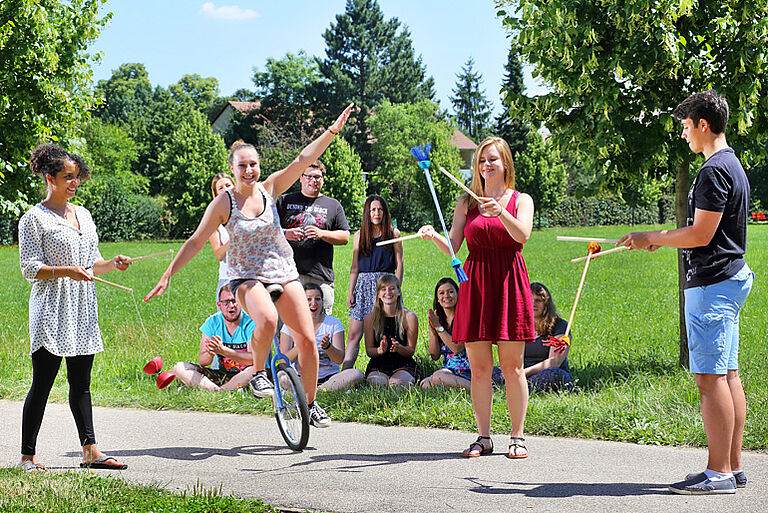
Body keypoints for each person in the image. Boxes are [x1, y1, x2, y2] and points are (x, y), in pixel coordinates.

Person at [146, 103, 354, 430]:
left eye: (253, 164)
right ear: (232, 169)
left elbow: (302, 160)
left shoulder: (270, 189)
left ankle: (310, 404)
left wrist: (332, 131)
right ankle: (259, 374)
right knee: (268, 319)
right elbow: (196, 242)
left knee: (308, 341)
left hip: (282, 271)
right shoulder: (224, 203)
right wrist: (167, 275)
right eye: (242, 166)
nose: (249, 171)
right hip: (243, 276)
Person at [619, 90, 753, 495]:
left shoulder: (713, 170)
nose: (683, 135)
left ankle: (719, 475)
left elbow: (701, 232)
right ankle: (731, 466)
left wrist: (651, 235)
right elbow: (706, 232)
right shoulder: (733, 165)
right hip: (728, 277)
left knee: (710, 379)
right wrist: (666, 240)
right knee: (728, 374)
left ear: (703, 125)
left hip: (713, 284)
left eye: (685, 127)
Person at [420, 136, 535, 459]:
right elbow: (453, 247)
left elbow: (522, 235)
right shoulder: (466, 203)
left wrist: (500, 212)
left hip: (509, 281)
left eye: (493, 159)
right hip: (475, 281)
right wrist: (434, 238)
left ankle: (518, 436)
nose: (486, 165)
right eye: (482, 160)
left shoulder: (520, 199)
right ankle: (483, 437)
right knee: (480, 369)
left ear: (505, 164)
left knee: (512, 368)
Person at [18, 144, 131, 471]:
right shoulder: (34, 219)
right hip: (50, 310)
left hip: (82, 309)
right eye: (68, 177)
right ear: (49, 178)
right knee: (42, 384)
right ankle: (27, 456)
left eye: (77, 176)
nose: (74, 182)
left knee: (81, 383)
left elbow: (92, 264)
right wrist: (67, 271)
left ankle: (90, 451)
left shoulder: (84, 215)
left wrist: (113, 263)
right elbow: (29, 268)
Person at [276, 160, 350, 315]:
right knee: (285, 328)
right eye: (308, 176)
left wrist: (322, 234)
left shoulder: (333, 205)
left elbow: (345, 236)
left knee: (320, 326)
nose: (313, 181)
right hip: (287, 276)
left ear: (323, 179)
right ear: (301, 178)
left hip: (320, 277)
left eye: (317, 177)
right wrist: (285, 233)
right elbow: (267, 230)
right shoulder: (284, 201)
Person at [343, 195, 403, 370]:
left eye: (380, 209)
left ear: (385, 212)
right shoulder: (359, 235)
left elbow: (399, 264)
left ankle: (392, 368)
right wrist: (350, 292)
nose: (376, 213)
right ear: (367, 213)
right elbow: (354, 267)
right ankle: (345, 372)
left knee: (388, 330)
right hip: (363, 286)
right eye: (373, 210)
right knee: (354, 333)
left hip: (385, 286)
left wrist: (396, 288)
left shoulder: (393, 233)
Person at [280, 283, 364, 396]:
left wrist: (328, 347)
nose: (313, 303)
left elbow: (339, 359)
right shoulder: (290, 325)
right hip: (302, 378)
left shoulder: (334, 323)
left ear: (322, 301)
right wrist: (301, 345)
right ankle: (315, 391)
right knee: (283, 378)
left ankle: (318, 391)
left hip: (329, 379)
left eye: (317, 299)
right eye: (308, 299)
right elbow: (283, 361)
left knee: (356, 374)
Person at [171, 284, 257, 391]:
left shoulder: (251, 322)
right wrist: (210, 351)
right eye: (226, 302)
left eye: (234, 301)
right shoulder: (212, 322)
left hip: (245, 375)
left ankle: (219, 392)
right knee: (179, 367)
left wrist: (224, 351)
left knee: (254, 369)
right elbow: (203, 361)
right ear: (219, 305)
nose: (231, 306)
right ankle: (218, 391)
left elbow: (253, 360)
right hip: (222, 374)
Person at [364, 274, 419, 387]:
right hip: (379, 363)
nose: (388, 292)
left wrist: (400, 348)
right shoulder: (370, 318)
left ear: (399, 291)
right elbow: (369, 351)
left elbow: (411, 350)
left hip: (403, 363)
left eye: (392, 288)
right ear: (378, 294)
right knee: (376, 383)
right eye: (383, 289)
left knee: (396, 384)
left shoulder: (409, 317)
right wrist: (379, 350)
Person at [420, 278, 471, 389]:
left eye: (450, 292)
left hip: (468, 369)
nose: (446, 296)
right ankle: (453, 384)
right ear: (438, 299)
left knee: (437, 377)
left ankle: (476, 388)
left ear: (458, 294)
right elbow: (434, 356)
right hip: (450, 369)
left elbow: (457, 348)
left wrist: (438, 328)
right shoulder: (439, 320)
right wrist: (433, 331)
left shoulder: (465, 318)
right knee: (425, 384)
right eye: (441, 293)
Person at [524, 282, 573, 392]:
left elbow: (554, 362)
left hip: (546, 374)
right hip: (520, 376)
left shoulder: (560, 326)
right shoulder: (518, 326)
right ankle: (518, 388)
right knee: (492, 373)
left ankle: (518, 390)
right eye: (530, 300)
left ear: (546, 303)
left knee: (553, 375)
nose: (533, 304)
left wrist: (522, 373)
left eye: (538, 301)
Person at [209, 173, 235, 305]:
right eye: (220, 188)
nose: (225, 189)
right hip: (227, 278)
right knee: (228, 324)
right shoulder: (214, 221)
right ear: (216, 194)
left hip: (250, 277)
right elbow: (219, 254)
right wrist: (235, 238)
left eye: (228, 185)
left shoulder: (247, 213)